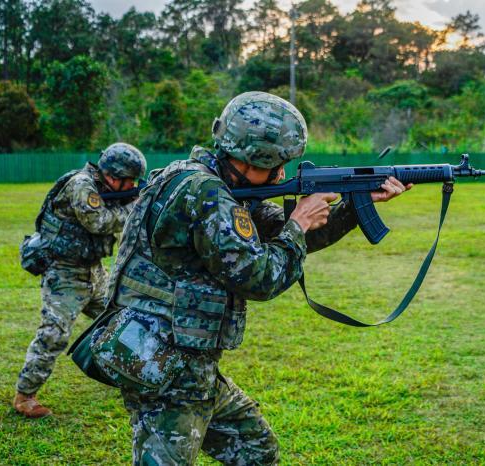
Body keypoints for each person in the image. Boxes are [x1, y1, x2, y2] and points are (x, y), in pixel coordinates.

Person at [96, 92, 410, 464]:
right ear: (251, 157)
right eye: (276, 164)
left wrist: (357, 205)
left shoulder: (211, 182)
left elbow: (281, 233)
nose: (281, 175)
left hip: (183, 361)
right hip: (164, 365)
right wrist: (298, 224)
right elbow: (258, 277)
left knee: (257, 450)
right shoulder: (206, 194)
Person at [13, 143, 147, 418]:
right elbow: (99, 222)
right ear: (112, 175)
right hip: (64, 272)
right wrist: (136, 207)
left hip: (93, 270)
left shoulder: (109, 189)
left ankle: (138, 379)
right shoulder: (81, 185)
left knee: (123, 321)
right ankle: (25, 395)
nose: (132, 186)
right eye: (129, 180)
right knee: (54, 333)